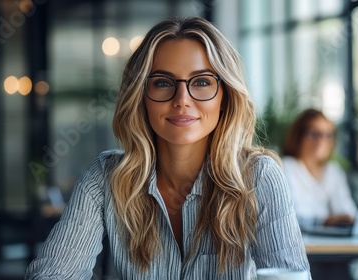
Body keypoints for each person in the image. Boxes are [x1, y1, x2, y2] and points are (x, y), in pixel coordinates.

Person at [25, 17, 311, 279]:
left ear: (226, 97)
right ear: (140, 96)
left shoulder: (259, 177)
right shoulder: (106, 178)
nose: (182, 99)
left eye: (201, 82)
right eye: (163, 82)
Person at [281, 108, 356, 280]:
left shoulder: (333, 171)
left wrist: (349, 218)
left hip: (335, 251)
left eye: (328, 135)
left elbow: (348, 211)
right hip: (302, 255)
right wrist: (325, 220)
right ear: (298, 136)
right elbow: (289, 219)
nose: (322, 140)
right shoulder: (286, 167)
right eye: (315, 134)